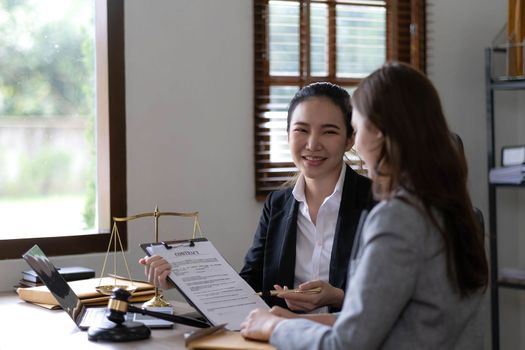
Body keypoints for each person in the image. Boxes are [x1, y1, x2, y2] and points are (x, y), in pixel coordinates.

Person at [239, 62, 489, 349]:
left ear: (378, 133)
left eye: (355, 129)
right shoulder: (443, 207)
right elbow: (380, 320)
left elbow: (347, 343)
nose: (356, 143)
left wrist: (276, 328)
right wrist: (286, 322)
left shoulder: (398, 217)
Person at [139, 82, 373, 313]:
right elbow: (249, 285)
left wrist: (338, 297)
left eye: (329, 131)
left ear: (350, 139)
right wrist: (182, 278)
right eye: (301, 130)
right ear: (288, 135)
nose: (312, 144)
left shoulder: (377, 201)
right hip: (278, 339)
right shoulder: (277, 205)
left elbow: (391, 296)